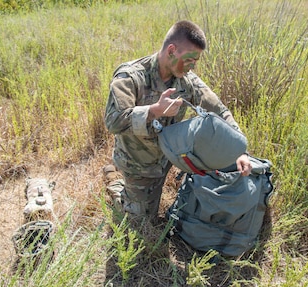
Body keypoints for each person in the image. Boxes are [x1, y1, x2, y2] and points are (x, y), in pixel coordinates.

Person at [104, 20, 251, 220]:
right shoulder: (130, 77)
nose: (192, 67)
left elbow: (219, 110)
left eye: (195, 62)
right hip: (138, 164)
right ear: (172, 50)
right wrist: (154, 111)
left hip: (169, 159)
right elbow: (113, 121)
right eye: (190, 60)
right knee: (139, 222)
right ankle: (115, 181)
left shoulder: (187, 81)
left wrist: (239, 150)